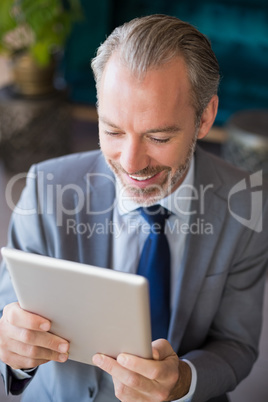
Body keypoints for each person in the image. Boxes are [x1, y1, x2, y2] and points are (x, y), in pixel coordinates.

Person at [0, 14, 267, 402]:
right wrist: (14, 348)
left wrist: (182, 382)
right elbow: (8, 309)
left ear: (205, 117)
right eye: (112, 130)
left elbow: (236, 345)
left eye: (158, 136)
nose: (131, 163)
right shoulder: (44, 188)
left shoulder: (246, 204)